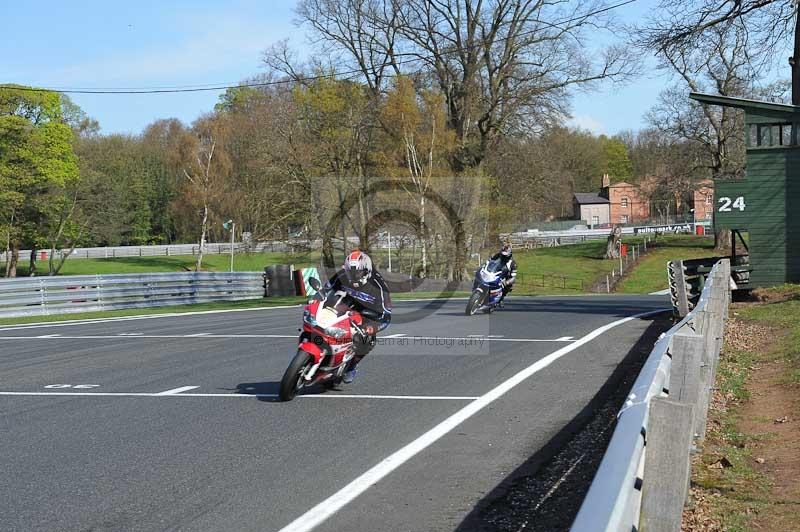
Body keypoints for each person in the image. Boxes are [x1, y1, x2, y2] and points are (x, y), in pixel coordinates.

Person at [322, 250, 392, 383]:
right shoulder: (341, 275)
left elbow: (386, 315)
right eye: (351, 273)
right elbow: (325, 290)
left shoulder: (380, 287)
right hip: (341, 306)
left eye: (357, 273)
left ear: (367, 271)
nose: (353, 276)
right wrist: (316, 300)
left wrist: (372, 327)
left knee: (367, 341)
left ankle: (351, 367)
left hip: (365, 314)